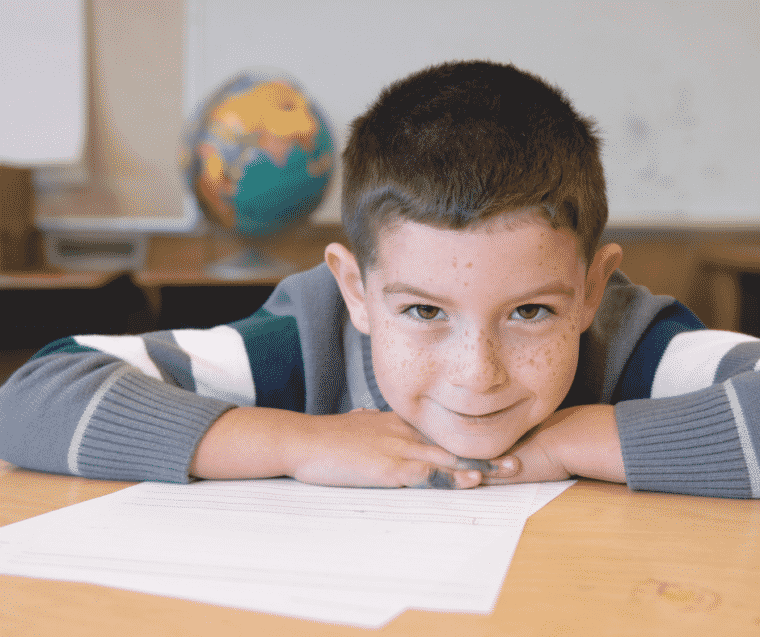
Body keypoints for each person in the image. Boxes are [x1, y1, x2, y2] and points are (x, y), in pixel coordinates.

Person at [1, 60, 758, 499]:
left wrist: (580, 439)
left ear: (591, 290)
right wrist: (295, 441)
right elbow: (34, 396)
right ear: (357, 290)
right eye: (425, 310)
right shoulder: (309, 338)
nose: (478, 373)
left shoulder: (630, 341)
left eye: (529, 311)